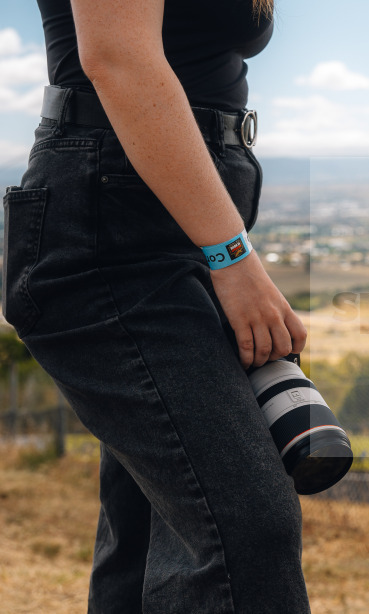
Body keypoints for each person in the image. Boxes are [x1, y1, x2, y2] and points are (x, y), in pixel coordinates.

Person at [4, 0, 310, 611]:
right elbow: (117, 60)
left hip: (174, 216)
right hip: (111, 226)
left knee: (151, 538)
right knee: (246, 527)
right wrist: (231, 257)